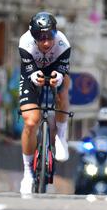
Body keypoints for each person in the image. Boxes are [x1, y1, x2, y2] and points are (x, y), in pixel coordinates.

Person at [18, 12, 71, 194]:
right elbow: (28, 69)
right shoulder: (25, 43)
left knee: (63, 92)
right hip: (31, 73)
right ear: (33, 36)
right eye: (40, 38)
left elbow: (63, 68)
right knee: (31, 122)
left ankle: (61, 137)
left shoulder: (63, 44)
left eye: (50, 37)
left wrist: (59, 76)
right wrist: (34, 76)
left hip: (55, 68)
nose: (46, 42)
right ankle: (27, 173)